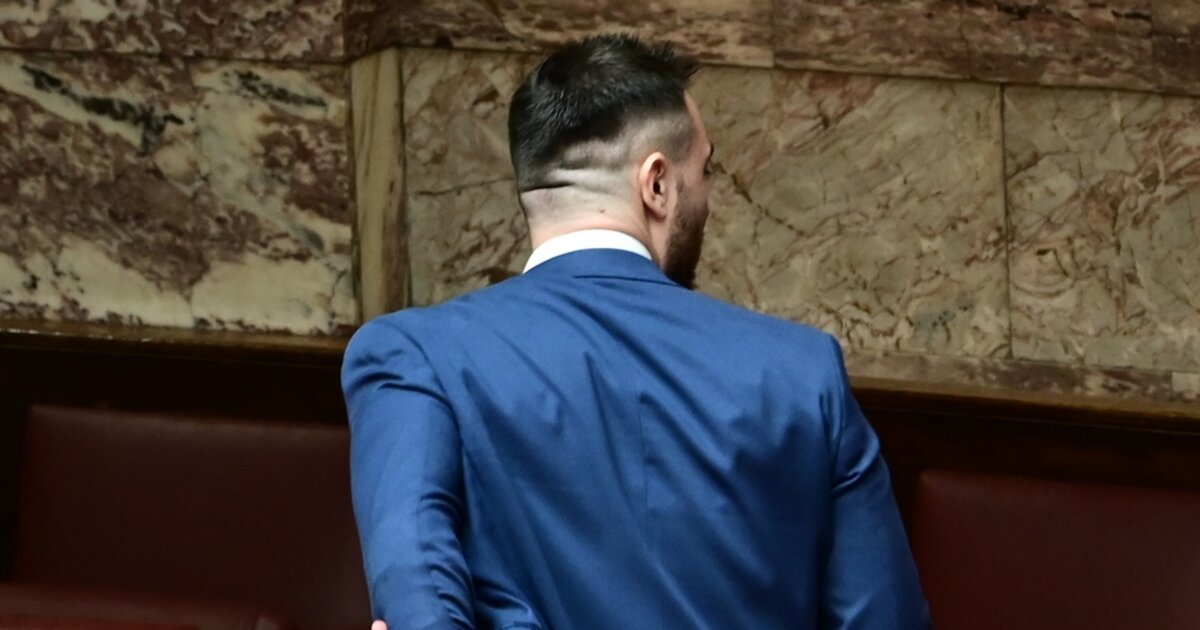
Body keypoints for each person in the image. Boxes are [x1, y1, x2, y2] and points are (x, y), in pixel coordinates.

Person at [342, 34, 930, 629]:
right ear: (657, 184)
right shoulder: (803, 370)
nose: (709, 198)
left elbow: (415, 588)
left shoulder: (415, 357)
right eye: (705, 170)